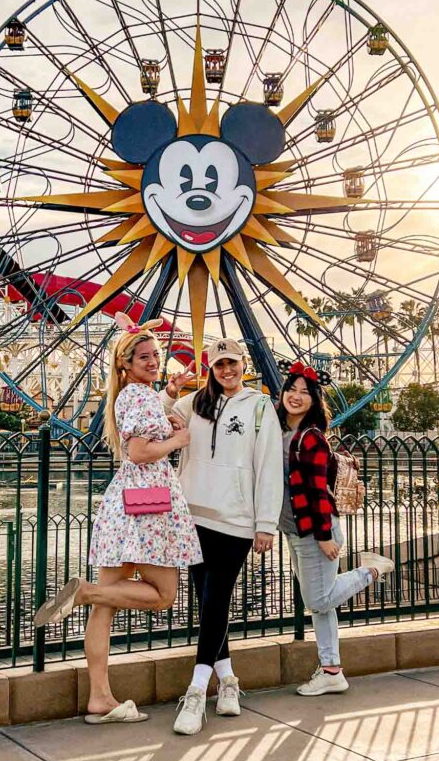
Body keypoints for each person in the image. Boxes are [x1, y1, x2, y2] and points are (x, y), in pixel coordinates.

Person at [34, 314, 201, 724]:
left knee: (107, 606)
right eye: (144, 357)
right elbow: (140, 451)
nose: (153, 361)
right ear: (125, 363)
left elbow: (142, 425)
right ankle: (85, 592)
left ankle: (100, 698)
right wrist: (179, 439)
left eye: (156, 355)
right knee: (163, 595)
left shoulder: (129, 395)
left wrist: (170, 393)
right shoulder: (138, 397)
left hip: (123, 505)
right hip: (149, 504)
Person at [162, 337, 283, 735]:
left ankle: (196, 691)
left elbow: (268, 467)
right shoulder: (194, 403)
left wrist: (265, 523)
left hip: (236, 519)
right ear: (210, 369)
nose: (226, 371)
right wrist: (169, 392)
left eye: (231, 364)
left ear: (243, 364)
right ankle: (227, 681)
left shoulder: (261, 407)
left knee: (217, 598)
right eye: (219, 366)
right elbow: (157, 419)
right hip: (193, 514)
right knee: (209, 603)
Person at [278, 362, 394, 696]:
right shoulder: (281, 431)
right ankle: (331, 670)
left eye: (305, 392)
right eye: (292, 390)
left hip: (314, 530)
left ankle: (371, 570)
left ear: (314, 401)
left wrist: (325, 535)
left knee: (317, 598)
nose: (296, 397)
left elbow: (317, 490)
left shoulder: (310, 438)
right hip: (293, 530)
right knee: (322, 605)